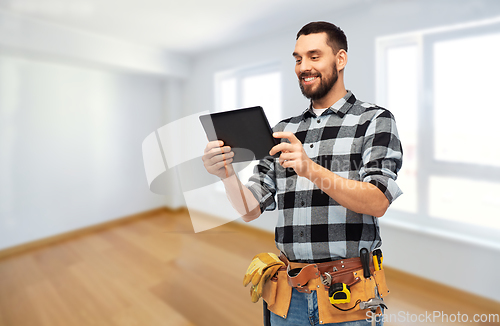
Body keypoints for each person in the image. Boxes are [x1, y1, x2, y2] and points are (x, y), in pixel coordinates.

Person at [202, 21, 402, 326]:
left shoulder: (374, 120)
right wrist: (226, 174)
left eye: (314, 56)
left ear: (340, 59)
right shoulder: (283, 130)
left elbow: (377, 201)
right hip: (289, 296)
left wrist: (309, 168)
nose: (303, 67)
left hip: (348, 296)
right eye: (297, 59)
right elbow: (249, 210)